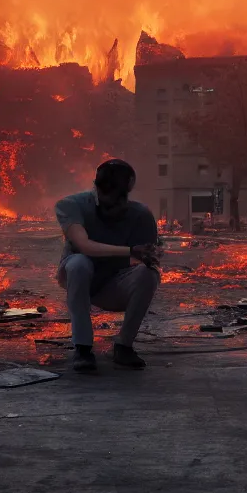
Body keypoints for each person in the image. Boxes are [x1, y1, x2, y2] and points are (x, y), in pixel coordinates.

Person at [55, 159, 162, 372]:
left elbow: (149, 257)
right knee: (78, 264)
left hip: (114, 284)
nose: (110, 210)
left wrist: (150, 256)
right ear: (96, 189)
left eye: (116, 202)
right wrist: (130, 251)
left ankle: (124, 345)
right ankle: (83, 347)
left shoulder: (140, 215)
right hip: (80, 280)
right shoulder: (71, 205)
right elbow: (83, 246)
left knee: (148, 275)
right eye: (105, 201)